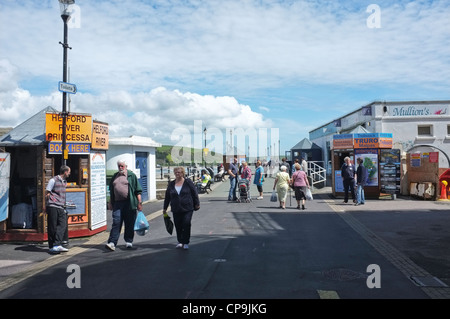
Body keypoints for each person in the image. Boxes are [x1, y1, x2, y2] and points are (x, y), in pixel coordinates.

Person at [105, 159, 143, 251]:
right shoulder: (115, 176)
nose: (120, 167)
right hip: (118, 203)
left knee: (129, 222)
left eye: (122, 166)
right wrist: (110, 203)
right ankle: (112, 242)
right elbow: (111, 190)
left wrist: (139, 203)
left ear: (126, 166)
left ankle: (129, 241)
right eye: (119, 166)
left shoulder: (131, 175)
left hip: (129, 203)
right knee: (116, 222)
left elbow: (138, 190)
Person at [163, 166, 200, 250]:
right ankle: (180, 241)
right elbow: (167, 197)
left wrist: (197, 203)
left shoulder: (188, 182)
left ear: (183, 173)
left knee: (186, 223)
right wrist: (165, 208)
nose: (177, 174)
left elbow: (194, 193)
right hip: (176, 208)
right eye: (175, 172)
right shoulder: (171, 184)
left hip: (188, 207)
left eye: (179, 172)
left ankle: (186, 242)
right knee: (178, 225)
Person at [45, 165, 71, 254]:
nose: (69, 174)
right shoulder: (53, 180)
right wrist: (45, 206)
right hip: (52, 205)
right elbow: (47, 193)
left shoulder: (64, 182)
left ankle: (57, 244)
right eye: (69, 172)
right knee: (52, 226)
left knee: (63, 224)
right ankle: (52, 246)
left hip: (60, 206)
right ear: (65, 172)